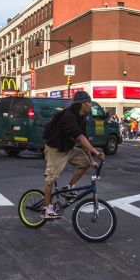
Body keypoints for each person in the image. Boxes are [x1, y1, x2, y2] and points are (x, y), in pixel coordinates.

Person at [42, 91, 103, 219]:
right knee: (50, 179)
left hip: (68, 148)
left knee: (85, 163)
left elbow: (84, 138)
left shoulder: (82, 117)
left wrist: (91, 160)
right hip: (55, 149)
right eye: (89, 102)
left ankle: (69, 186)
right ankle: (47, 209)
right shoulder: (69, 116)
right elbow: (80, 137)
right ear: (82, 104)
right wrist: (96, 152)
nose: (90, 105)